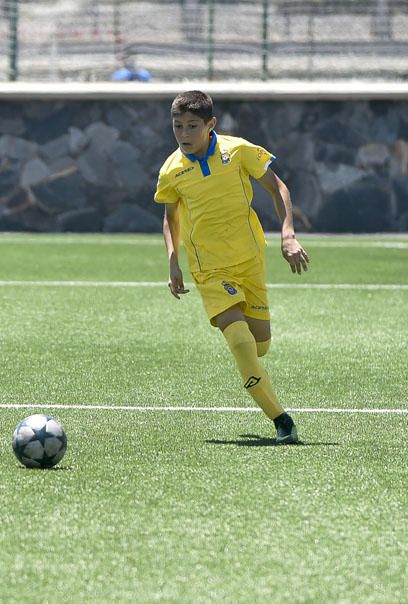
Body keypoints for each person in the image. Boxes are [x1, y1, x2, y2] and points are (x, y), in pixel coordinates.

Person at [154, 90, 310, 444]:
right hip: (209, 269)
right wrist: (172, 261)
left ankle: (253, 372)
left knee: (260, 345)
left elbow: (277, 187)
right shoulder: (171, 170)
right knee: (240, 341)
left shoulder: (238, 150)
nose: (184, 134)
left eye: (192, 126)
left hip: (250, 259)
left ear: (211, 125)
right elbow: (170, 218)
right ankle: (282, 421)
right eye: (177, 126)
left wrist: (288, 234)